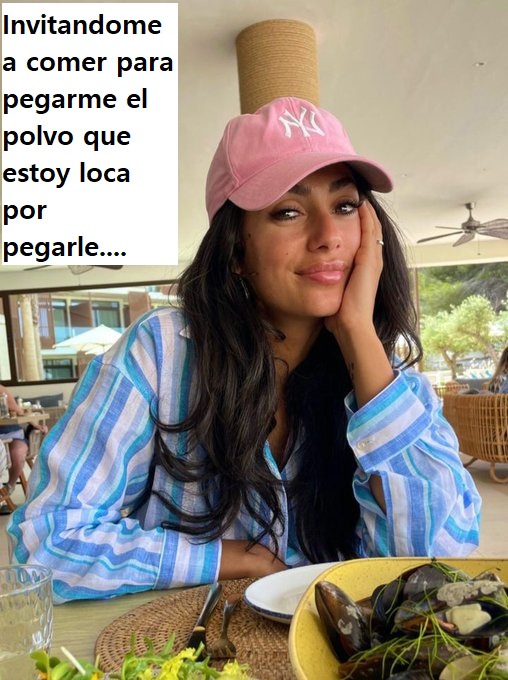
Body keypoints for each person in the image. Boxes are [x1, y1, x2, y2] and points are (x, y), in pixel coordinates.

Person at [8, 97, 481, 603]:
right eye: (288, 211)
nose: (328, 237)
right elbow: (46, 544)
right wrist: (224, 557)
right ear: (236, 249)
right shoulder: (161, 353)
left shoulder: (389, 385)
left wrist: (358, 333)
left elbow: (439, 563)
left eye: (345, 206)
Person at [0, 385, 30, 514]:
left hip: (12, 433)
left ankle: (9, 486)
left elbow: (18, 411)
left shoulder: (2, 390)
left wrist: (37, 425)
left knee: (17, 453)